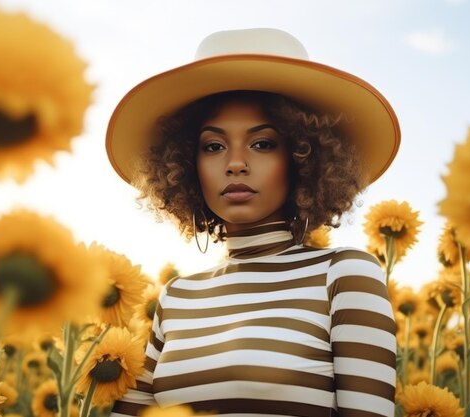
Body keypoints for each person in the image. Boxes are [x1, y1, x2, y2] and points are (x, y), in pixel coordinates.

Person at [106, 28, 399, 417]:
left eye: (263, 143)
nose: (236, 163)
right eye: (213, 146)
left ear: (303, 157)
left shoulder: (344, 274)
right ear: (184, 165)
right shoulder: (176, 297)